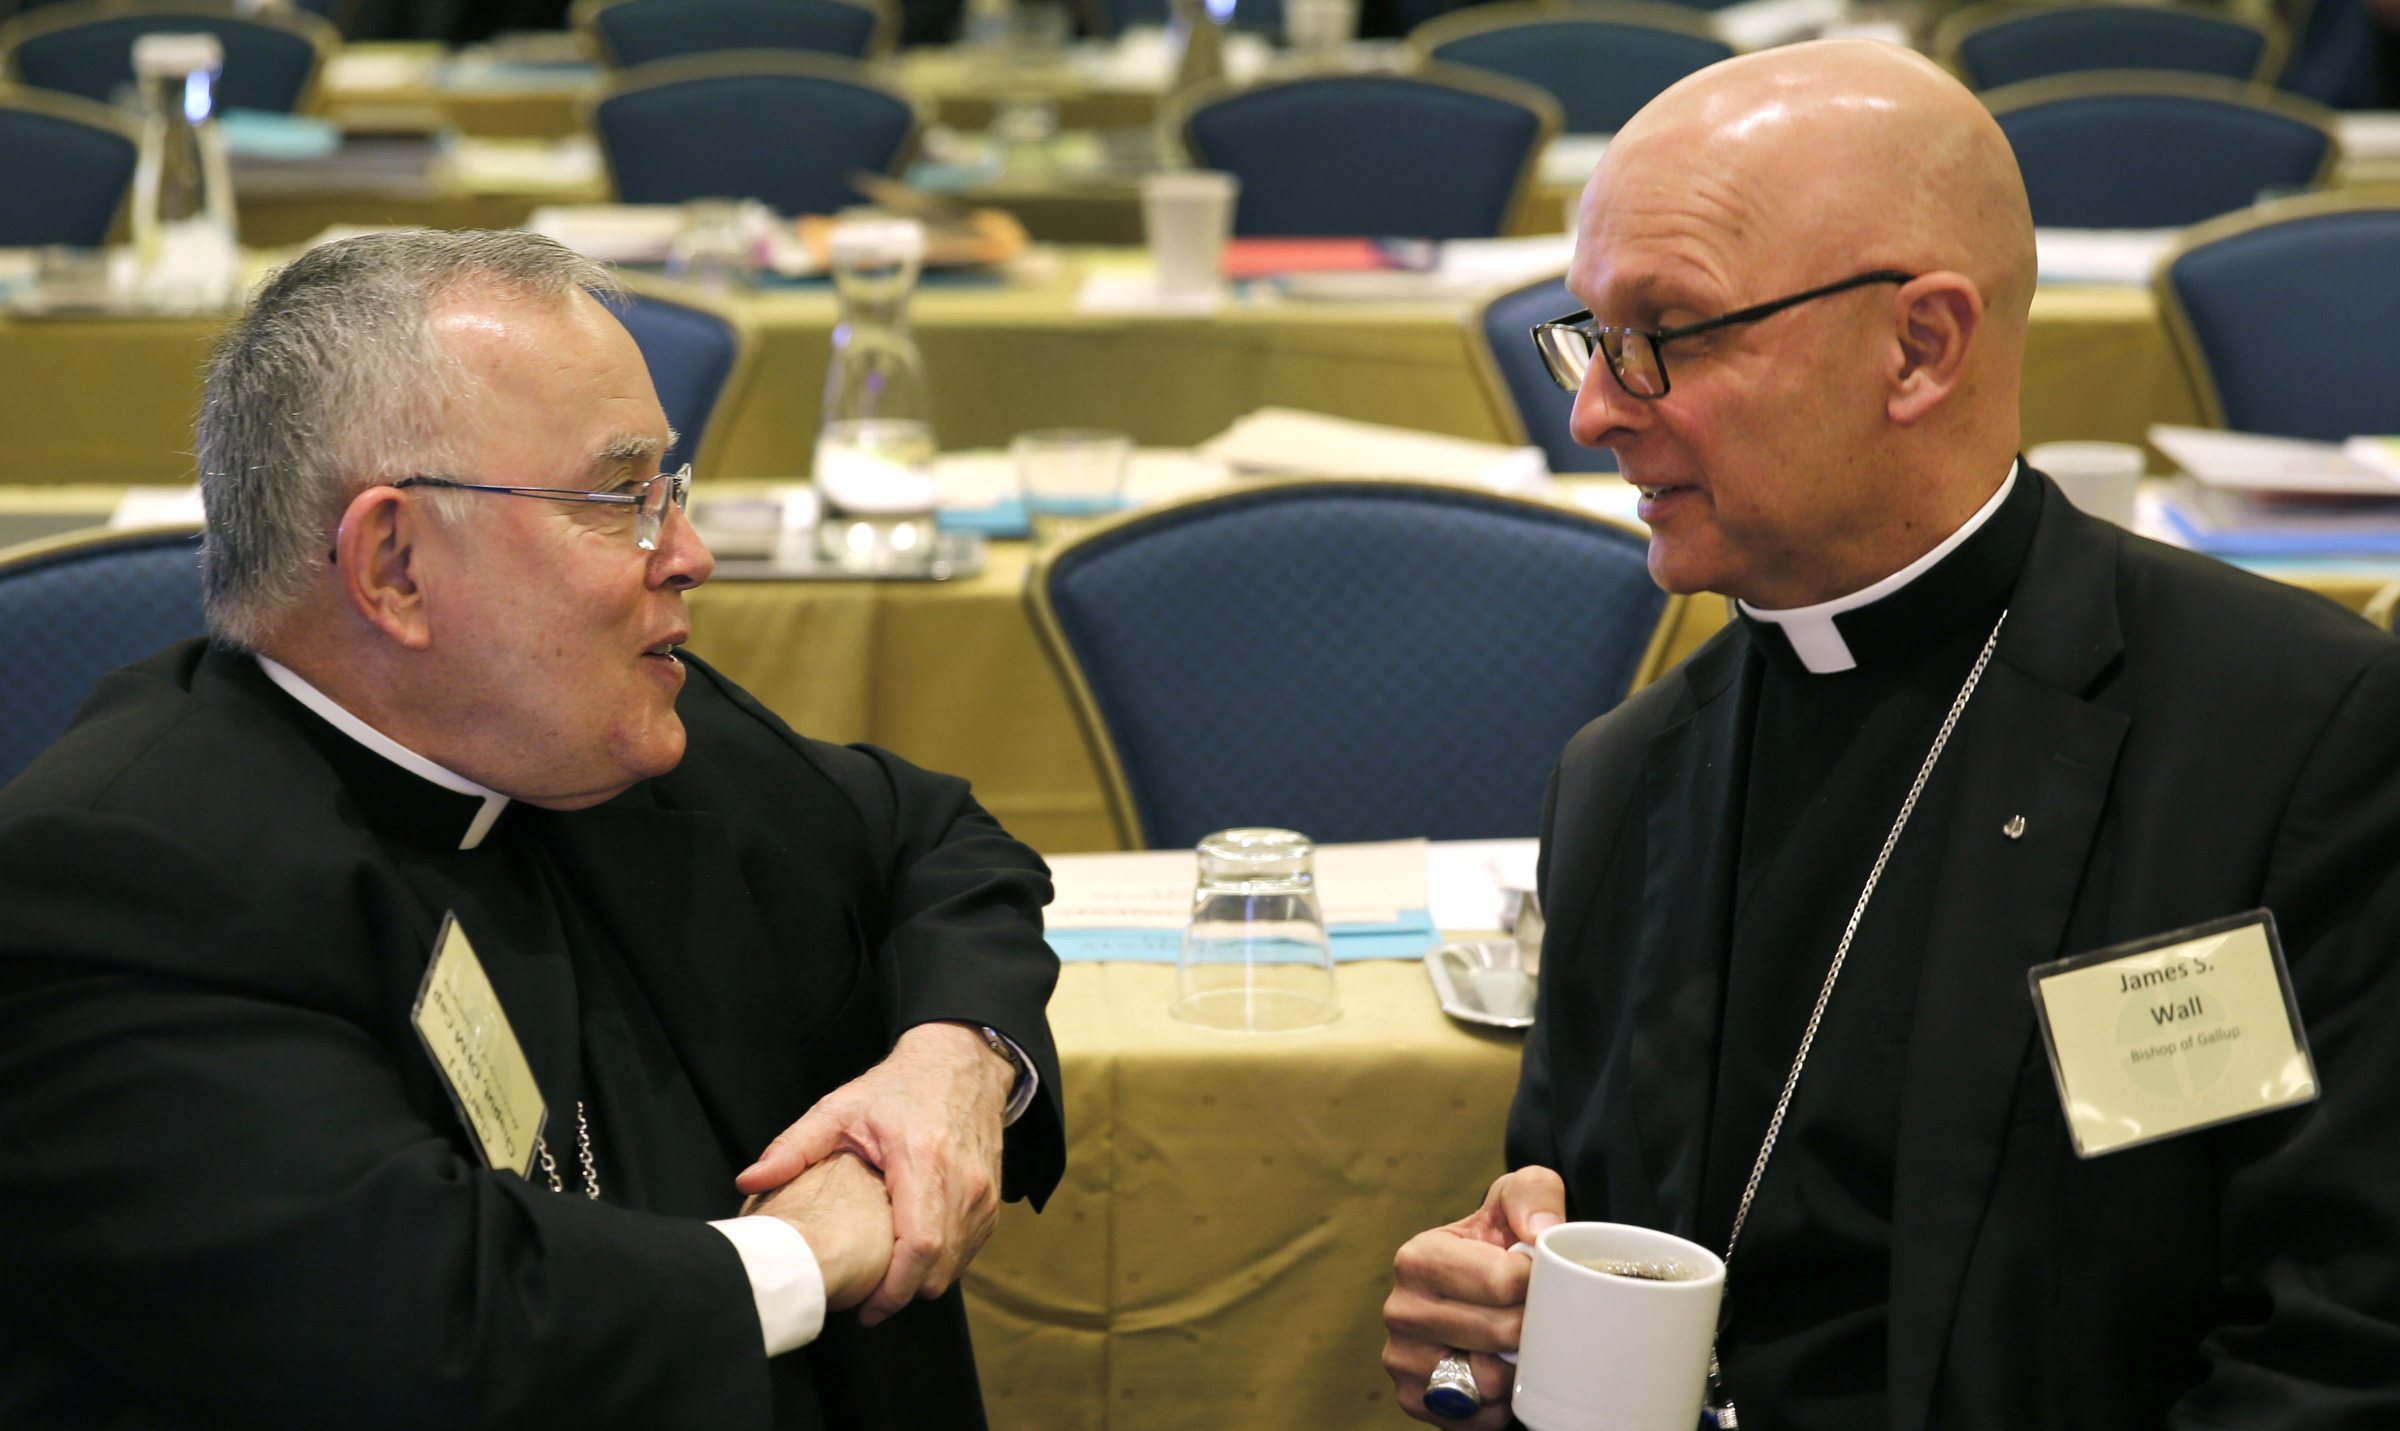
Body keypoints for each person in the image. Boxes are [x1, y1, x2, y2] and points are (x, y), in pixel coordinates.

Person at [1384, 40, 2400, 1430]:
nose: (1593, 409)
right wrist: (1505, 1327)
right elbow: (1589, 1232)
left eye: (1663, 335)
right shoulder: (1620, 778)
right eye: (1590, 334)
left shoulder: (2290, 737)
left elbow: (2341, 1347)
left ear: (1919, 346)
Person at [0, 230, 1065, 1430]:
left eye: (671, 488)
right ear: (393, 564)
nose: (692, 556)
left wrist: (954, 1063)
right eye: (621, 498)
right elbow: (424, 1325)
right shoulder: (121, 885)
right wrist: (813, 1252)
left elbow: (934, 839)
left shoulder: (591, 726)